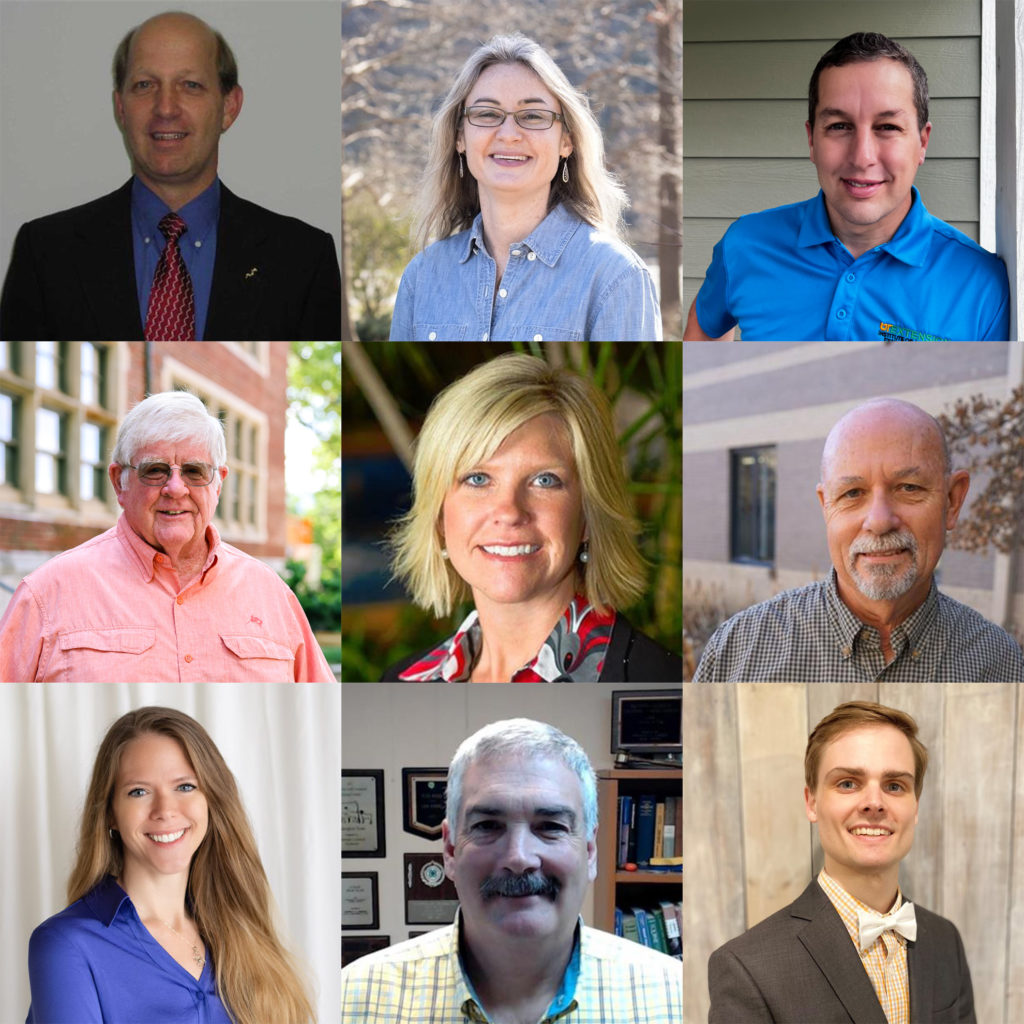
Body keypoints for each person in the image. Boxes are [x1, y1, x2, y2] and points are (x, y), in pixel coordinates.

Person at [0, 11, 340, 341]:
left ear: (229, 107)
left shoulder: (304, 260)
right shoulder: (45, 253)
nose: (165, 108)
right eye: (145, 85)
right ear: (121, 107)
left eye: (190, 85)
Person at [341, 717, 682, 1022]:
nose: (519, 858)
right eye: (488, 825)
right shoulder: (352, 1000)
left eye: (550, 826)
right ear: (449, 850)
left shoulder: (676, 998)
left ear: (590, 851)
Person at [684, 32, 1009, 341]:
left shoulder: (981, 284)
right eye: (839, 126)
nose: (862, 156)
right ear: (812, 140)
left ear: (922, 142)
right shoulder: (746, 245)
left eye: (887, 127)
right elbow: (705, 326)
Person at [379, 353, 682, 681]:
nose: (509, 511)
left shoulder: (661, 680)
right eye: (478, 479)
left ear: (588, 514)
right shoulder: (403, 680)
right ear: (439, 516)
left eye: (544, 480)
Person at [0, 390, 334, 682]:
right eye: (155, 470)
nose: (175, 488)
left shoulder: (271, 594)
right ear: (119, 482)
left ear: (218, 483)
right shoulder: (46, 595)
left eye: (194, 471)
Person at [694, 398, 1024, 681]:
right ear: (827, 507)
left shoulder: (1001, 663)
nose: (879, 522)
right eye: (853, 493)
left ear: (952, 502)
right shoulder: (736, 651)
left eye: (908, 488)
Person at [26, 706, 313, 1023]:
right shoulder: (67, 945)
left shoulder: (243, 931)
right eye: (139, 792)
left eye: (185, 786)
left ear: (212, 800)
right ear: (110, 813)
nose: (165, 810)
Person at [708, 701, 975, 1022]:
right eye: (848, 783)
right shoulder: (747, 966)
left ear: (915, 807)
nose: (874, 803)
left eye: (894, 786)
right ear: (812, 802)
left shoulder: (945, 940)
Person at [388, 34, 662, 342]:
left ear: (566, 141)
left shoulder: (615, 277)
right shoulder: (423, 276)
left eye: (532, 116)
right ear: (460, 137)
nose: (508, 134)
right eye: (487, 114)